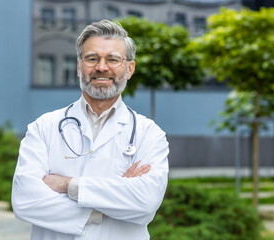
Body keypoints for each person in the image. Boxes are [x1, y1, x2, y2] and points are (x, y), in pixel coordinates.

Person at [11, 19, 169, 240]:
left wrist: (69, 185)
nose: (101, 67)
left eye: (113, 59)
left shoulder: (149, 134)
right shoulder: (43, 127)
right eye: (92, 58)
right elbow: (25, 201)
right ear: (78, 66)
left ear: (129, 68)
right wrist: (111, 201)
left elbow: (146, 202)